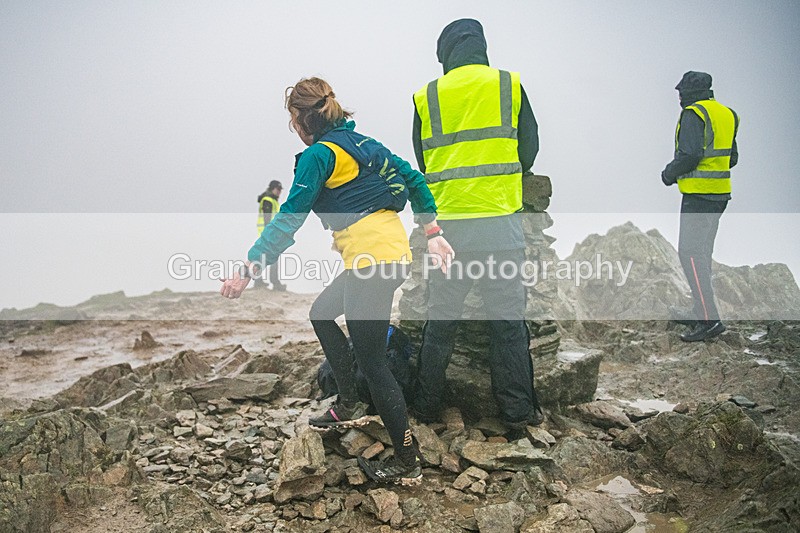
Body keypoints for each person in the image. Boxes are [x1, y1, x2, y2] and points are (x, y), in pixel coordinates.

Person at [221, 77, 454, 485]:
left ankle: (407, 460)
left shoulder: (319, 155)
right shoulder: (363, 143)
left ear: (300, 119)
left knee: (373, 363)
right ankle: (349, 404)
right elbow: (415, 180)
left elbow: (289, 218)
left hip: (372, 262)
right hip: (386, 256)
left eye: (293, 120)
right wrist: (431, 231)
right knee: (322, 312)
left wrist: (249, 269)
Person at [410, 19, 543, 436]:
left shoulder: (428, 95)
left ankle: (425, 408)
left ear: (445, 53)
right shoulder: (507, 84)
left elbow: (423, 160)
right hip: (500, 225)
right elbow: (529, 149)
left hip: (448, 232)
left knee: (440, 323)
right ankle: (517, 417)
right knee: (507, 325)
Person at [662, 71, 739, 342]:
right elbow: (732, 158)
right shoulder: (727, 114)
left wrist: (669, 173)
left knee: (691, 255)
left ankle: (709, 320)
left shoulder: (693, 114)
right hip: (720, 196)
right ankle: (701, 311)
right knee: (701, 256)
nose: (679, 98)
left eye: (681, 92)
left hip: (699, 197)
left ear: (689, 93)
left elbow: (691, 155)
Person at [256, 180, 286, 291]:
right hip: (268, 234)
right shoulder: (268, 200)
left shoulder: (272, 200)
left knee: (263, 257)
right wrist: (270, 234)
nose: (279, 192)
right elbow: (267, 219)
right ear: (272, 188)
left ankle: (259, 281)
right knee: (271, 258)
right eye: (278, 189)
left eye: (280, 190)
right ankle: (274, 283)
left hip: (269, 233)